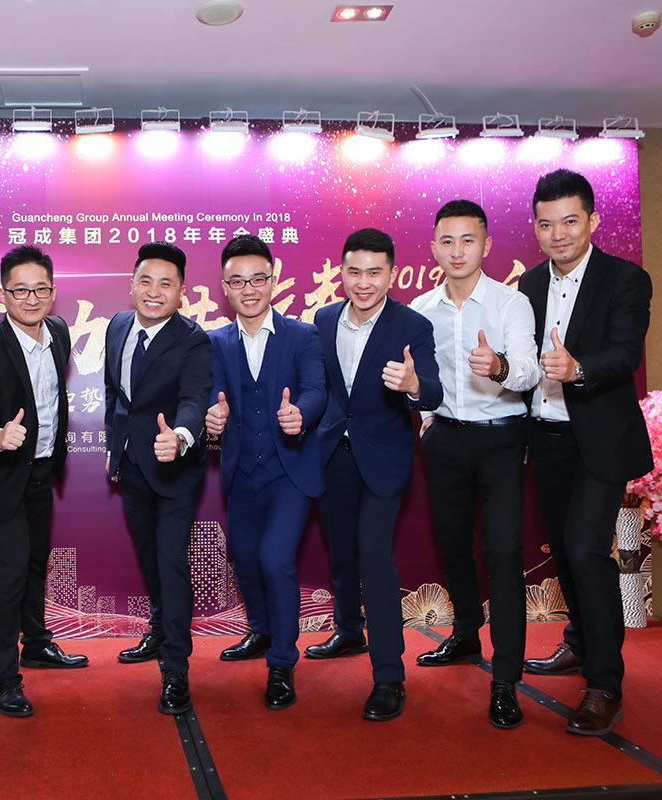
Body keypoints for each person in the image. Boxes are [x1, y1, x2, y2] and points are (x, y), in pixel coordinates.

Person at [519, 169, 653, 736]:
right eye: (547, 224)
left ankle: (605, 685)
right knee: (565, 551)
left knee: (585, 549)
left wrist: (578, 369)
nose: (559, 234)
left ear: (592, 220)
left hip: (598, 440)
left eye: (570, 221)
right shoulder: (528, 284)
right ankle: (578, 641)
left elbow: (624, 354)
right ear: (536, 228)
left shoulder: (626, 279)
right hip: (546, 438)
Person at [409, 200, 542, 729]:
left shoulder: (511, 303)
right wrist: (424, 414)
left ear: (486, 245)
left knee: (503, 552)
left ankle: (506, 677)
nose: (458, 251)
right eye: (447, 241)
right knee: (453, 544)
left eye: (468, 240)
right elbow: (420, 377)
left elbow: (529, 370)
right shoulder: (421, 308)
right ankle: (466, 634)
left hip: (502, 439)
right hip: (445, 439)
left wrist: (499, 366)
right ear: (434, 248)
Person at [307, 227, 442, 721]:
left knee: (374, 555)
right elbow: (320, 388)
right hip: (331, 454)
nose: (363, 282)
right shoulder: (323, 319)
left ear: (391, 274)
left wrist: (412, 385)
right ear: (341, 272)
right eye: (354, 271)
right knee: (341, 551)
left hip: (384, 459)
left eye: (374, 272)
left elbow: (432, 392)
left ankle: (389, 676)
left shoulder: (412, 325)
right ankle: (348, 631)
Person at [0, 245, 88, 718]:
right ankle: (3, 679)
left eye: (40, 289)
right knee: (10, 571)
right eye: (20, 291)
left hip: (41, 471)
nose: (32, 299)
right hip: (0, 479)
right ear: (3, 294)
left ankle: (37, 644)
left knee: (34, 562)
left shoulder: (59, 331)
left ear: (53, 291)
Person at [204, 235, 325, 710]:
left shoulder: (302, 335)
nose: (249, 289)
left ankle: (281, 662)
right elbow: (212, 395)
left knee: (276, 559)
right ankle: (260, 630)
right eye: (237, 281)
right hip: (241, 471)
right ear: (224, 287)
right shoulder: (216, 342)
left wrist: (302, 414)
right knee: (246, 559)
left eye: (258, 279)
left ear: (273, 281)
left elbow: (316, 390)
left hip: (289, 472)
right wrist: (212, 417)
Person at [105, 241, 212, 714]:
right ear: (131, 285)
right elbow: (116, 396)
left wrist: (182, 436)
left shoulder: (193, 340)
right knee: (149, 558)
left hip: (175, 469)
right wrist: (116, 451)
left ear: (181, 291)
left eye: (166, 284)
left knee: (171, 563)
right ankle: (159, 629)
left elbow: (195, 398)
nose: (154, 291)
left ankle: (176, 669)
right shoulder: (118, 325)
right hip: (132, 466)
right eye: (145, 281)